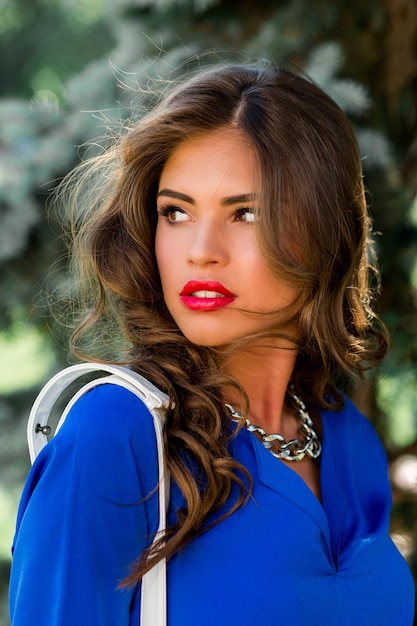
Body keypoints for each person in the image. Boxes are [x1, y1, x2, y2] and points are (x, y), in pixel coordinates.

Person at [9, 62, 415, 625]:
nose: (200, 250)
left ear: (326, 231)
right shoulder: (117, 433)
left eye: (245, 213)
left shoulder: (348, 437)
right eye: (175, 212)